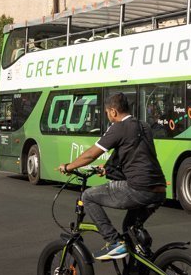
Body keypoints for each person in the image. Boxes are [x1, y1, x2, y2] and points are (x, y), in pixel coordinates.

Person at [56, 93, 167, 261]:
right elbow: (137, 159)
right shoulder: (144, 126)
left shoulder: (119, 127)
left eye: (107, 113)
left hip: (138, 188)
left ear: (113, 111)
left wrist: (69, 166)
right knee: (130, 227)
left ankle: (114, 242)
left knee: (88, 197)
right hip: (158, 189)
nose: (108, 117)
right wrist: (107, 170)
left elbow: (91, 155)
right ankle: (145, 271)